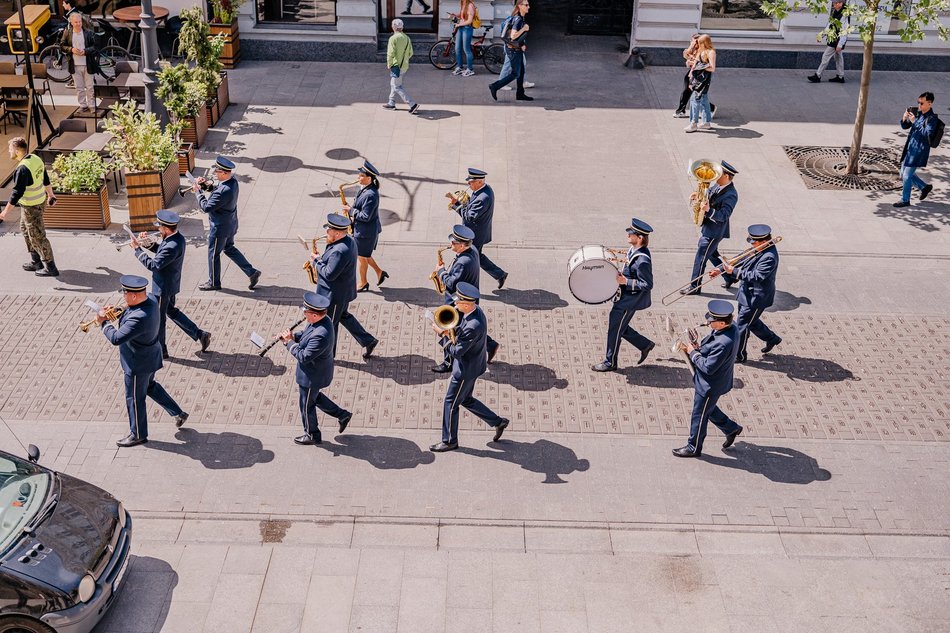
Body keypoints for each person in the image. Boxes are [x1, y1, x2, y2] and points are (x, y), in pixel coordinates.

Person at [98, 275, 188, 448]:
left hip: (137, 364)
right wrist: (117, 311)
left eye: (125, 294)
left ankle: (138, 434)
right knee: (149, 387)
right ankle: (178, 413)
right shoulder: (151, 300)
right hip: (150, 357)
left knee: (134, 398)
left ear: (133, 295)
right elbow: (131, 309)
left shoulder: (138, 318)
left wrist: (104, 322)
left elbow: (116, 338)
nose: (123, 296)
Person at [430, 282, 510, 452]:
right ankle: (498, 422)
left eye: (458, 302)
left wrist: (443, 334)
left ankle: (449, 441)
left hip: (465, 371)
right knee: (466, 399)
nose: (455, 304)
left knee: (451, 403)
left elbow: (457, 352)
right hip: (474, 366)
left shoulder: (473, 326)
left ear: (466, 305)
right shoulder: (476, 311)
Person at [131, 210, 212, 359]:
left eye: (160, 227)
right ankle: (200, 334)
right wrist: (148, 244)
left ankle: (161, 350)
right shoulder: (176, 238)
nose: (158, 229)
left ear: (166, 228)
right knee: (172, 311)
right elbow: (161, 252)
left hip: (162, 288)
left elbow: (154, 265)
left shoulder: (171, 245)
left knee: (158, 319)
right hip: (169, 284)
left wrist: (138, 250)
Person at [279, 292, 353, 445]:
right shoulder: (321, 320)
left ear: (314, 315)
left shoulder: (321, 335)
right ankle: (342, 415)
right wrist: (294, 336)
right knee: (314, 398)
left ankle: (312, 434)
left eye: (305, 312)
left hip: (312, 377)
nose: (304, 315)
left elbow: (304, 356)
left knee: (306, 405)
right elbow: (306, 334)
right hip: (316, 373)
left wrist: (289, 343)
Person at [672, 299, 743, 458]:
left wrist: (693, 352)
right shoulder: (731, 327)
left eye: (712, 321)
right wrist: (698, 346)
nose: (708, 322)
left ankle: (694, 447)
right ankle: (731, 428)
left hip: (710, 384)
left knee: (699, 415)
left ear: (722, 323)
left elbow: (708, 368)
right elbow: (712, 347)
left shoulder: (723, 343)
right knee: (707, 409)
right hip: (716, 380)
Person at [431, 225, 500, 372]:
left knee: (450, 329)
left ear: (462, 245)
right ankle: (490, 345)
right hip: (468, 298)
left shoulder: (463, 263)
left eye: (453, 243)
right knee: (464, 327)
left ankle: (448, 363)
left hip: (458, 301)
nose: (451, 244)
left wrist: (441, 271)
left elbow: (451, 283)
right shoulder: (473, 249)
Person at [312, 213, 380, 359]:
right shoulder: (349, 240)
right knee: (343, 316)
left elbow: (329, 274)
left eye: (329, 230)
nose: (326, 232)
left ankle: (328, 356)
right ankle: (368, 341)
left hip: (334, 296)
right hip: (343, 292)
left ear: (337, 233)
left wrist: (317, 262)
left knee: (330, 325)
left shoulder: (339, 251)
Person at [592, 218, 655, 372]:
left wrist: (625, 281)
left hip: (629, 300)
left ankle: (610, 362)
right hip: (625, 297)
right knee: (619, 325)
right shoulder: (634, 249)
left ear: (640, 238)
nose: (628, 235)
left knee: (615, 329)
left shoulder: (642, 261)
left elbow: (647, 284)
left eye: (631, 233)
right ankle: (644, 344)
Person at [711, 224, 781, 363]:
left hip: (756, 298)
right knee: (751, 322)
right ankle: (772, 338)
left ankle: (740, 355)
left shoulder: (769, 257)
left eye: (754, 242)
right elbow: (739, 259)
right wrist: (720, 269)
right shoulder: (759, 248)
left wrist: (734, 272)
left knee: (741, 326)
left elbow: (757, 276)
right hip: (746, 293)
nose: (752, 245)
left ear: (764, 241)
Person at [195, 156, 262, 291]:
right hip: (230, 225)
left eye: (217, 171)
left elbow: (206, 207)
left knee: (213, 254)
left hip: (219, 229)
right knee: (229, 248)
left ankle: (214, 282)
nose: (215, 173)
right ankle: (251, 272)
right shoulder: (233, 182)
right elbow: (218, 192)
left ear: (225, 173)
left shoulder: (223, 191)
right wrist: (206, 185)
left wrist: (198, 192)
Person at [0, 137, 59, 277]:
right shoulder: (35, 158)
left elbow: (17, 193)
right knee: (25, 230)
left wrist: (5, 212)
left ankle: (51, 267)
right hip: (35, 203)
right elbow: (45, 178)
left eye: (10, 149)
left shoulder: (22, 169)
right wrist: (51, 195)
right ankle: (36, 261)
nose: (9, 152)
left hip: (32, 207)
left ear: (17, 151)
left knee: (38, 236)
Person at [681, 161, 738, 295]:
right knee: (712, 254)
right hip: (709, 227)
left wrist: (708, 210)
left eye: (719, 173)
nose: (715, 175)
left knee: (700, 257)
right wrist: (697, 195)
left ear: (726, 176)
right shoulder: (718, 185)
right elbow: (708, 194)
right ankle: (730, 276)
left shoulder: (731, 194)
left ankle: (695, 287)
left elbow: (724, 215)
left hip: (714, 231)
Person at [446, 168, 508, 288]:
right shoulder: (485, 189)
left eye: (471, 182)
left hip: (475, 234)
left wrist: (456, 205)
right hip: (478, 231)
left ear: (479, 182)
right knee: (476, 255)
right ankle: (499, 274)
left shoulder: (483, 198)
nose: (468, 184)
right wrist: (466, 202)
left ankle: (458, 280)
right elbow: (472, 207)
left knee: (471, 255)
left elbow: (469, 217)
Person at [342, 160, 390, 292]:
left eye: (362, 175)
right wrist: (351, 209)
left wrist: (351, 211)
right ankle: (379, 272)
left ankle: (363, 283)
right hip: (363, 231)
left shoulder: (371, 195)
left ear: (369, 178)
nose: (358, 177)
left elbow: (365, 216)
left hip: (365, 233)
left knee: (361, 257)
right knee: (364, 255)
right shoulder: (364, 189)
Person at [894, 92, 938, 208]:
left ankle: (905, 200)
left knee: (907, 175)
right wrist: (904, 119)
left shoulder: (932, 119)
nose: (919, 105)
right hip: (910, 148)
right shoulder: (918, 114)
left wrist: (915, 122)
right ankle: (924, 187)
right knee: (903, 173)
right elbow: (905, 126)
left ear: (930, 103)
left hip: (919, 151)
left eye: (922, 103)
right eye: (918, 102)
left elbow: (927, 134)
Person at [488, 0, 532, 101]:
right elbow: (513, 36)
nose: (528, 7)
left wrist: (522, 44)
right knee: (515, 73)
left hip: (516, 48)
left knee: (521, 71)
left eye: (528, 5)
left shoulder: (519, 17)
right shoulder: (518, 19)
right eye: (526, 5)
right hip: (513, 50)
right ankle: (495, 86)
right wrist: (524, 29)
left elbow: (518, 36)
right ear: (520, 6)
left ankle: (520, 94)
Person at [59, 12, 99, 112]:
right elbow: (62, 46)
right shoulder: (67, 33)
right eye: (76, 22)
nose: (78, 24)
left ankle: (92, 105)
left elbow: (95, 47)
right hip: (74, 65)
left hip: (88, 64)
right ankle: (83, 105)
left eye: (80, 22)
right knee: (79, 87)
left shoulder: (89, 33)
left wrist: (85, 51)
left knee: (90, 87)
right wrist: (71, 49)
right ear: (71, 23)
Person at [806, 0, 849, 84]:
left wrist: (840, 44)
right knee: (838, 58)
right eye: (833, 3)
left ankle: (818, 75)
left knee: (826, 56)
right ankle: (840, 76)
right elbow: (829, 25)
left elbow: (845, 30)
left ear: (841, 3)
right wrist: (821, 35)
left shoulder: (845, 14)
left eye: (835, 3)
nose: (833, 5)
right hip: (833, 38)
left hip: (837, 40)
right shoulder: (835, 12)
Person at [383, 19, 420, 114]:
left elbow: (390, 53)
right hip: (404, 66)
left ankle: (412, 104)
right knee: (394, 83)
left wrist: (389, 63)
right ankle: (391, 102)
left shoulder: (393, 38)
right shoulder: (407, 38)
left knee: (397, 86)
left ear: (394, 27)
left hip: (396, 66)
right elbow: (411, 53)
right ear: (402, 27)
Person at [674, 34, 715, 118]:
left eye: (694, 41)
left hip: (700, 73)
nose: (692, 42)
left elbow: (703, 64)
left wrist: (692, 63)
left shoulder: (704, 51)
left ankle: (710, 108)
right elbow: (686, 55)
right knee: (687, 91)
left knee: (699, 94)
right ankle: (682, 111)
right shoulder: (695, 49)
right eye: (691, 41)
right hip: (693, 72)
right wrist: (691, 46)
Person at [684, 34, 715, 132]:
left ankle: (693, 124)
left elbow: (712, 68)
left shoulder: (711, 52)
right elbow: (695, 65)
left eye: (700, 43)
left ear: (705, 42)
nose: (699, 44)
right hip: (696, 78)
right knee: (704, 99)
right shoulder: (701, 51)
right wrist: (691, 77)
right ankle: (706, 122)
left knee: (694, 100)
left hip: (704, 80)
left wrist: (700, 67)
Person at [449, 0, 476, 77]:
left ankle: (470, 69)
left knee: (466, 49)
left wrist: (459, 24)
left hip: (467, 28)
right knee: (457, 48)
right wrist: (455, 15)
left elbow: (469, 21)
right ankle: (460, 67)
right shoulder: (463, 3)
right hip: (461, 28)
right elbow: (462, 16)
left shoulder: (470, 5)